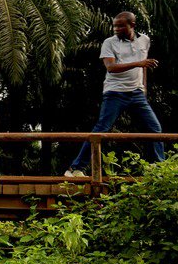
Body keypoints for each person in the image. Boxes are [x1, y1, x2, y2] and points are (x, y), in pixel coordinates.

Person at [66, 11, 165, 176]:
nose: (116, 29)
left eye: (121, 26)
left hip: (137, 93)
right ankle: (75, 169)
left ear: (132, 25)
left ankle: (158, 170)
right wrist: (139, 63)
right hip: (115, 93)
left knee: (155, 129)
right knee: (101, 128)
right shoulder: (109, 43)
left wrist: (143, 88)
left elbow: (144, 67)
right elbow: (111, 68)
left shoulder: (144, 40)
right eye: (115, 26)